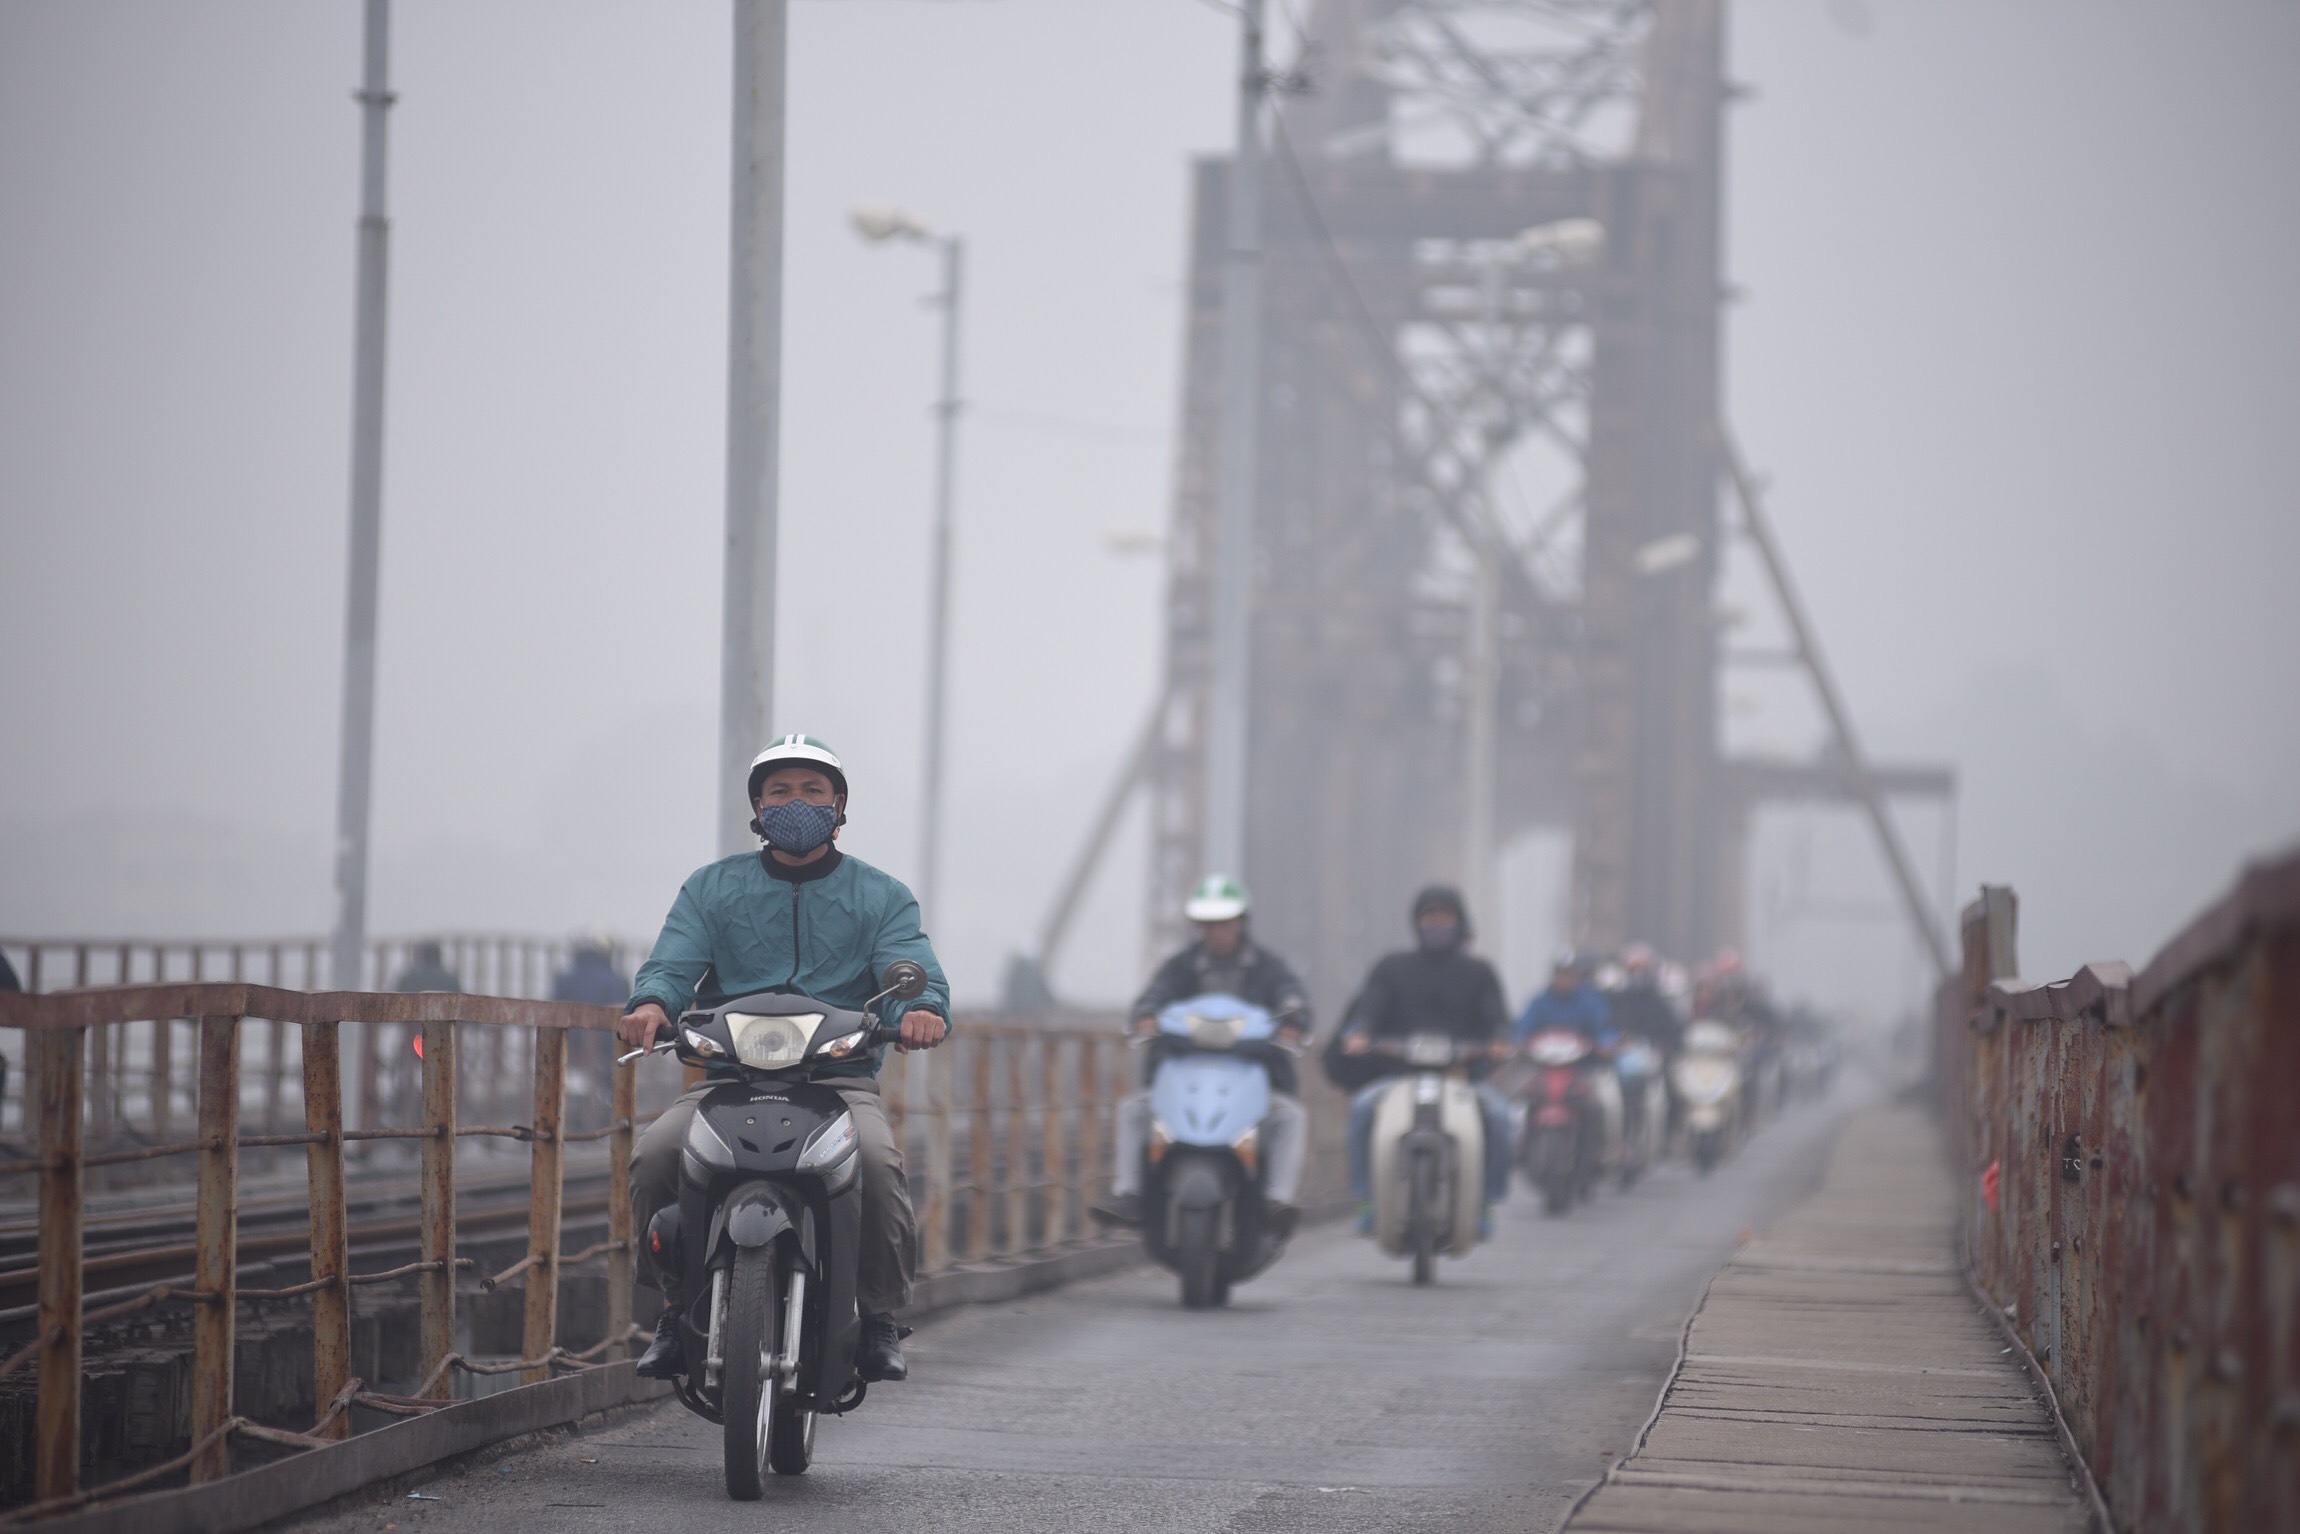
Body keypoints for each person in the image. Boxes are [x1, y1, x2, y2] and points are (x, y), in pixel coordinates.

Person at [618, 734, 950, 1385]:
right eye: (779, 791)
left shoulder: (881, 896)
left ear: (840, 805)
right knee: (657, 1153)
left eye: (812, 790)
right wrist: (653, 1004)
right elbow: (673, 961)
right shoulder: (712, 890)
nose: (795, 802)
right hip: (729, 1081)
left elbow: (912, 964)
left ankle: (879, 1315)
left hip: (839, 1080)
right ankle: (673, 1307)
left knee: (879, 1166)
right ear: (757, 807)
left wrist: (923, 1009)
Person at [1093, 875, 1311, 1230]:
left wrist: (1294, 1016)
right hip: (1181, 1074)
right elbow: (1154, 994)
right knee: (1134, 1109)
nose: (1217, 932)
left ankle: (1277, 1199)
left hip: (1253, 1076)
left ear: (1241, 923)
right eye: (1208, 925)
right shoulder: (1179, 967)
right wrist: (1146, 1015)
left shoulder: (1269, 967)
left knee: (1289, 1116)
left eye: (1224, 923)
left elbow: (1290, 994)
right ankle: (1129, 1193)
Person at [1330, 887, 1514, 1238]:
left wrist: (1500, 1041)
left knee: (1498, 1117)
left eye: (1445, 918)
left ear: (1459, 923)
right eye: (1430, 917)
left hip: (1461, 1080)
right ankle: (1367, 1197)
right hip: (1400, 1077)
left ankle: (1486, 1202)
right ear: (1417, 923)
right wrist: (1361, 1034)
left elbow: (1496, 1017)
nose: (1437, 925)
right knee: (1363, 1109)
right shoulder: (1392, 967)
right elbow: (1371, 1007)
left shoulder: (1479, 972)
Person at [552, 936, 629, 1131]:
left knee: (566, 1081)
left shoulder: (564, 978)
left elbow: (552, 1010)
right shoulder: (617, 980)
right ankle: (602, 1119)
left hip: (567, 1042)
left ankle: (567, 1120)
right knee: (606, 1083)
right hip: (606, 1045)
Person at [1513, 951, 1610, 1045]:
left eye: (1569, 974)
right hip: (1544, 1058)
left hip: (1584, 1059)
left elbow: (1605, 1031)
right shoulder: (1539, 1002)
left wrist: (1599, 1043)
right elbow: (1521, 1030)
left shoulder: (1590, 1002)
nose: (1565, 979)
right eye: (1561, 974)